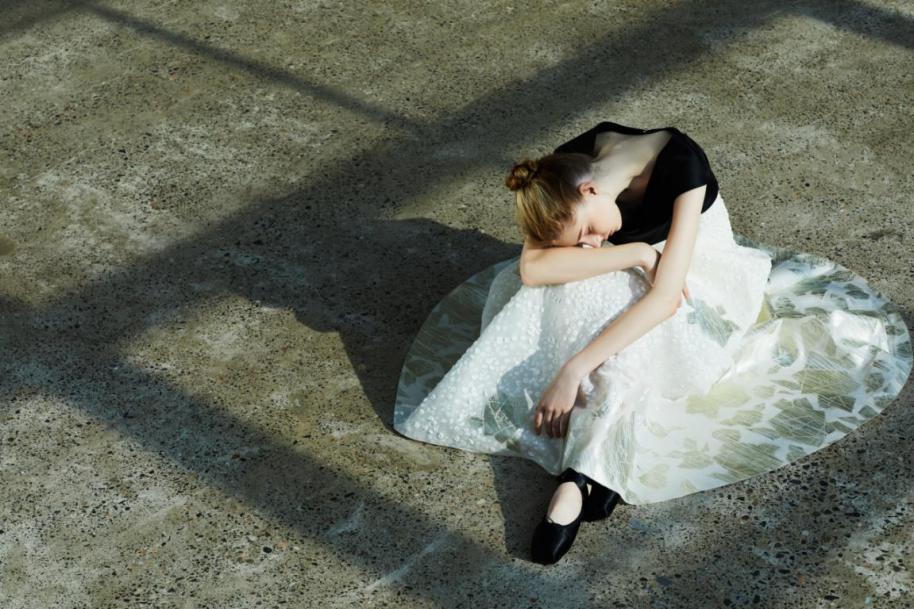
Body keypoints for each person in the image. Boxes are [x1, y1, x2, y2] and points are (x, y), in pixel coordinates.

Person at [392, 120, 912, 565]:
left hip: (694, 270)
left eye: (588, 231)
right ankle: (596, 474)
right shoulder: (562, 173)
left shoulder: (681, 164)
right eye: (583, 240)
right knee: (554, 297)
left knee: (638, 327)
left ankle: (581, 473)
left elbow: (666, 297)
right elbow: (533, 267)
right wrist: (636, 253)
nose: (592, 243)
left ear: (590, 192)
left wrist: (574, 368)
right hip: (645, 261)